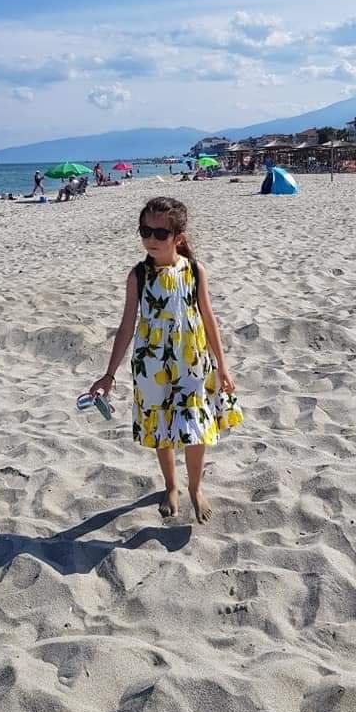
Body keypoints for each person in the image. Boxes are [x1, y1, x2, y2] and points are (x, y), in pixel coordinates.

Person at [88, 196, 243, 524]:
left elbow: (209, 319)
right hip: (152, 365)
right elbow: (126, 325)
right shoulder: (138, 275)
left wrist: (223, 366)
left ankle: (195, 488)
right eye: (145, 231)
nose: (151, 240)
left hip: (192, 363)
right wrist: (109, 374)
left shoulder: (195, 271)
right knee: (161, 428)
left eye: (160, 234)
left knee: (196, 428)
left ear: (178, 238)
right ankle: (171, 485)